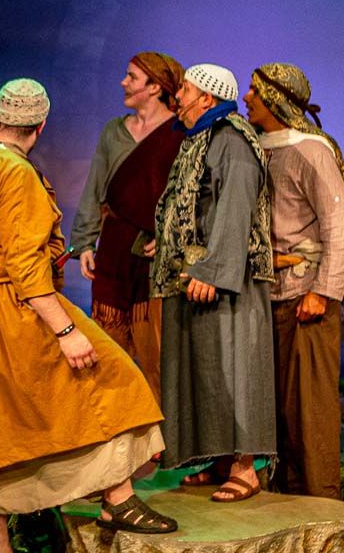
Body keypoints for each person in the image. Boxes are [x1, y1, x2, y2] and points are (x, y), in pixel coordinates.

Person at [0, 79, 176, 551]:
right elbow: (24, 264)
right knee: (111, 380)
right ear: (40, 126)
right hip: (12, 306)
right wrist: (65, 330)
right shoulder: (13, 171)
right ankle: (118, 497)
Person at [152, 63, 276, 502]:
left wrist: (214, 271)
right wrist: (166, 242)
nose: (177, 98)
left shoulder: (232, 140)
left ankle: (245, 469)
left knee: (234, 370)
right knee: (205, 371)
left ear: (207, 98)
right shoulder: (198, 138)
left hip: (227, 279)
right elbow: (190, 203)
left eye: (184, 91)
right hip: (196, 273)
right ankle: (220, 460)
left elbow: (236, 208)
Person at [243, 62, 343, 499]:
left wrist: (323, 291)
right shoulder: (260, 148)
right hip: (270, 294)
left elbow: (337, 224)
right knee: (282, 408)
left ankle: (323, 507)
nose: (247, 97)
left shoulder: (310, 151)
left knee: (310, 408)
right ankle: (288, 500)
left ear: (275, 99)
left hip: (306, 293)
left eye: (254, 90)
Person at [70, 53, 185, 399]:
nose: (124, 82)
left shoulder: (180, 133)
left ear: (155, 87)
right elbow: (94, 187)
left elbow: (189, 195)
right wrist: (84, 242)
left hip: (153, 257)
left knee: (156, 353)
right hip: (115, 249)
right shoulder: (114, 132)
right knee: (109, 349)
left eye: (132, 77)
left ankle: (161, 425)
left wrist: (170, 236)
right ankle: (115, 423)